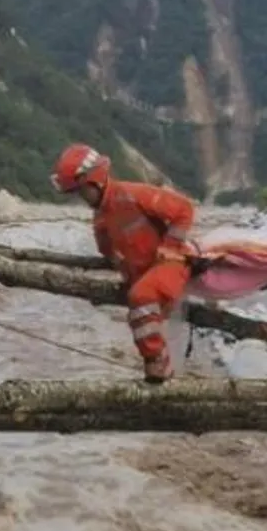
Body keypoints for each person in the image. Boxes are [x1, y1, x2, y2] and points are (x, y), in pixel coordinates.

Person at [51, 143, 197, 383]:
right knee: (139, 301)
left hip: (172, 264)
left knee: (140, 298)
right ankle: (166, 376)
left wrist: (170, 247)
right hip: (146, 275)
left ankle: (156, 363)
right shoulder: (100, 219)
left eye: (81, 191)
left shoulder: (133, 194)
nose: (82, 198)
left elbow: (184, 209)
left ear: (95, 181)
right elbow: (110, 252)